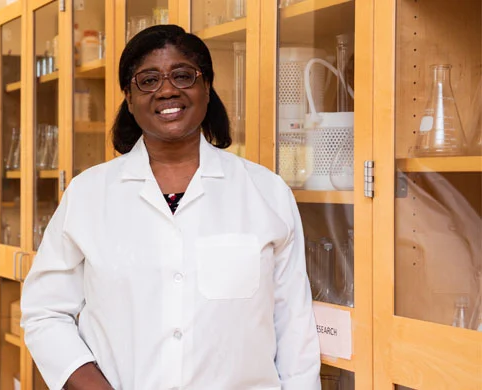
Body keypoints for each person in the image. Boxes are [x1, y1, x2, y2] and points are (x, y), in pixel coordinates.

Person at [20, 25, 320, 389]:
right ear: (129, 99)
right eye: (148, 80)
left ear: (206, 87)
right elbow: (44, 312)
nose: (167, 90)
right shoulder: (88, 194)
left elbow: (294, 328)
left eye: (183, 76)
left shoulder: (266, 192)